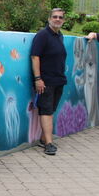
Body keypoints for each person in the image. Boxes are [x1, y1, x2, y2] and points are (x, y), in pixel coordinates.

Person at [30, 8, 67, 156]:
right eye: (55, 17)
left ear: (63, 20)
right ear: (49, 19)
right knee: (46, 111)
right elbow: (35, 57)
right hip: (45, 81)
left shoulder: (59, 36)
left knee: (51, 110)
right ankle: (49, 144)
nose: (57, 19)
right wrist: (38, 79)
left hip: (59, 79)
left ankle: (43, 138)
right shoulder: (42, 35)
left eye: (60, 17)